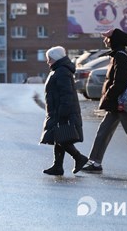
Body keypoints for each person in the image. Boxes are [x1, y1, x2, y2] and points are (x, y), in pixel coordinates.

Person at [82, 28, 127, 173]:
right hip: (117, 102)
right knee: (104, 131)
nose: (105, 40)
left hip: (120, 101)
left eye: (107, 38)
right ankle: (95, 162)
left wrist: (109, 96)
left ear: (114, 40)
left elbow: (120, 81)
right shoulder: (118, 55)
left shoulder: (120, 56)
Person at [39, 46, 89, 176]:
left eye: (49, 58)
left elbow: (66, 95)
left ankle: (79, 158)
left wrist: (63, 113)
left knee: (62, 138)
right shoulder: (59, 70)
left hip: (62, 111)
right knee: (59, 137)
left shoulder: (61, 72)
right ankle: (58, 166)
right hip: (58, 111)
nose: (48, 61)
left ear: (55, 58)